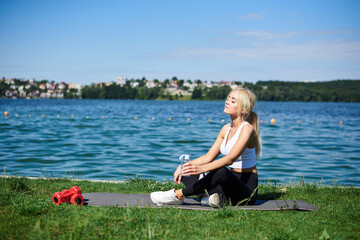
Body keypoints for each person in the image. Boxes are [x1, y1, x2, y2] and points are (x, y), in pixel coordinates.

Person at [150, 87, 261, 207]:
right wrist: (184, 166)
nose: (227, 101)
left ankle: (178, 195)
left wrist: (203, 169)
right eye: (228, 98)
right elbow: (208, 157)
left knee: (221, 171)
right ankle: (207, 198)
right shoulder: (226, 129)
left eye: (233, 101)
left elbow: (230, 159)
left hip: (245, 191)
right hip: (226, 186)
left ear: (243, 109)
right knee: (187, 170)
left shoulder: (247, 129)